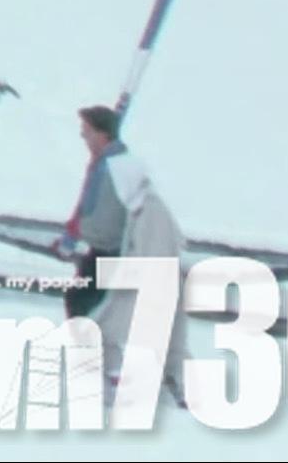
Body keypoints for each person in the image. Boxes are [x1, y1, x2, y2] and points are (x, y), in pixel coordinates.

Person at [59, 104, 189, 399]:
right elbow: (86, 206)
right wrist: (72, 235)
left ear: (102, 133)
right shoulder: (100, 165)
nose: (83, 136)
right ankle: (105, 368)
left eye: (87, 131)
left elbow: (145, 208)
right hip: (99, 251)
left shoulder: (123, 168)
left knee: (96, 308)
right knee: (85, 306)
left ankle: (109, 371)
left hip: (115, 253)